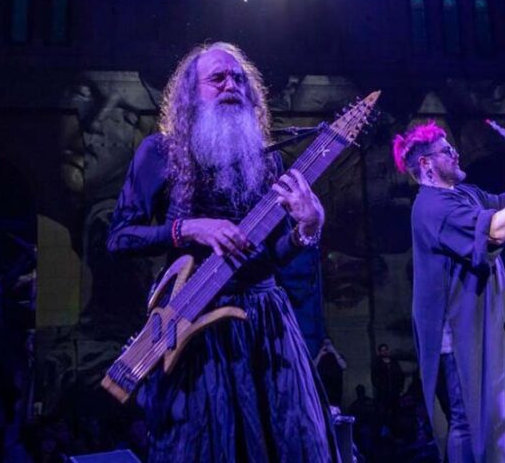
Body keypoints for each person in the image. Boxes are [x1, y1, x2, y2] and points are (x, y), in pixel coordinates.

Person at [107, 42, 339, 462]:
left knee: (291, 444)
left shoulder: (265, 162)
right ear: (192, 93)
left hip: (267, 323)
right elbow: (119, 238)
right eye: (217, 78)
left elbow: (271, 256)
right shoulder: (160, 152)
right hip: (196, 323)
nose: (231, 84)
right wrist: (188, 228)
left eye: (239, 79)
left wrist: (308, 228)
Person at [392, 120, 505, 462]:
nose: (456, 154)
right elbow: (496, 231)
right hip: (457, 334)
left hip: (480, 324)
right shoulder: (431, 207)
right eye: (447, 151)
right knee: (468, 420)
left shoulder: (463, 193)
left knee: (496, 411)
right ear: (426, 163)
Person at [370, 343, 404, 425]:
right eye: (382, 350)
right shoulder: (377, 363)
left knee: (396, 412)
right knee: (384, 412)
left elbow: (400, 374)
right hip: (383, 393)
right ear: (380, 352)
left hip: (395, 392)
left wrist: (400, 386)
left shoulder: (393, 361)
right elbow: (374, 377)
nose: (384, 352)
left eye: (386, 350)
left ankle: (396, 430)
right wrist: (380, 386)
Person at [314, 336, 348, 408]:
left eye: (328, 343)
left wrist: (334, 352)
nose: (327, 345)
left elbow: (344, 366)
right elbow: (312, 368)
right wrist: (320, 354)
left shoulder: (338, 355)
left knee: (335, 408)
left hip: (335, 388)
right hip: (323, 387)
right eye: (325, 343)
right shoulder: (320, 356)